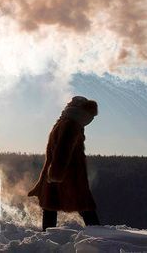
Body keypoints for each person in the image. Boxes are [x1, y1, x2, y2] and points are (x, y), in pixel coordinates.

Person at [28, 96, 101, 231]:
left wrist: (53, 174)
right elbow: (62, 150)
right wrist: (55, 174)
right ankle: (100, 236)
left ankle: (48, 235)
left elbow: (60, 150)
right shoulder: (71, 124)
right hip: (68, 174)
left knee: (51, 206)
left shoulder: (65, 123)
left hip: (59, 172)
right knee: (84, 206)